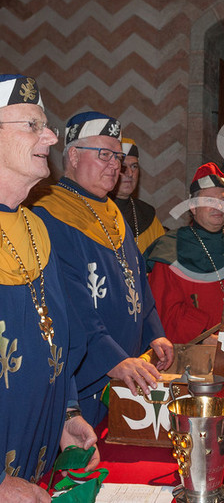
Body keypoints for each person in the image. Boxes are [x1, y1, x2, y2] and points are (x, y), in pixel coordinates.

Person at [32, 111, 173, 427]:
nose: (116, 166)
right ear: (73, 156)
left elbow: (137, 280)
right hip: (87, 376)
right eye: (105, 155)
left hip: (127, 371)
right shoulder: (51, 216)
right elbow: (70, 307)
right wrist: (113, 359)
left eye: (118, 158)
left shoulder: (111, 211)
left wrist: (154, 333)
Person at [0, 74, 98, 502]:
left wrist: (66, 414)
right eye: (32, 125)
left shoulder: (35, 227)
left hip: (34, 467)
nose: (52, 137)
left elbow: (53, 333)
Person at [146, 162, 224, 345]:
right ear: (193, 207)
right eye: (209, 201)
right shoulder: (170, 248)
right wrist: (203, 337)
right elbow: (164, 308)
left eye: (223, 201)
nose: (218, 206)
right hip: (195, 350)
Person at [111, 137, 165, 254]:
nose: (130, 173)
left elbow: (161, 258)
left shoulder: (147, 216)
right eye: (123, 166)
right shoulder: (96, 208)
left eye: (134, 166)